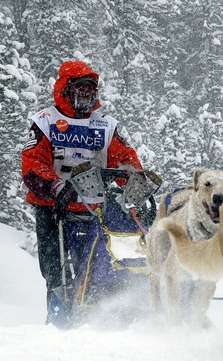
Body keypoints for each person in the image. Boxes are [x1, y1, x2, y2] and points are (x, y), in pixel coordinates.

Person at [21, 60, 143, 325]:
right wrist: (56, 186)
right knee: (56, 268)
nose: (87, 96)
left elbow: (124, 160)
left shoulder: (106, 126)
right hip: (53, 206)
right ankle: (58, 315)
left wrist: (135, 187)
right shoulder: (45, 121)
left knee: (99, 263)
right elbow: (32, 164)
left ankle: (102, 312)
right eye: (81, 90)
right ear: (66, 91)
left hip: (94, 208)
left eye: (91, 91)